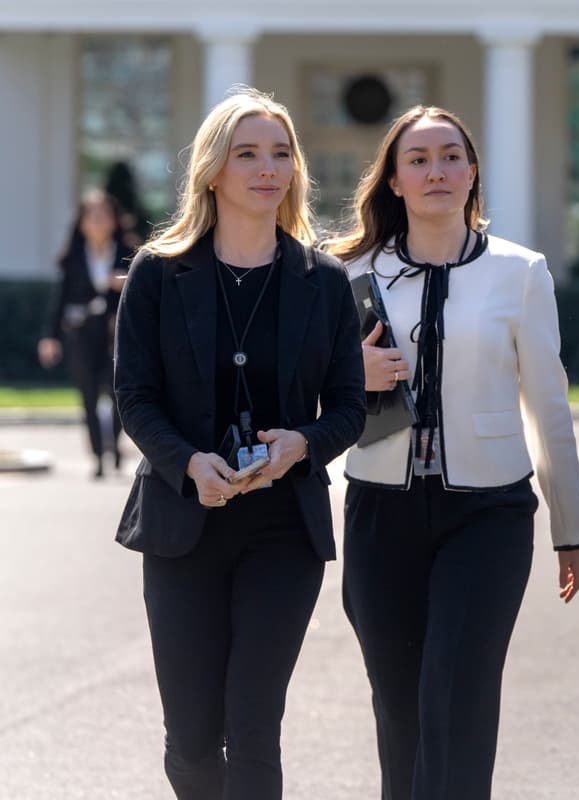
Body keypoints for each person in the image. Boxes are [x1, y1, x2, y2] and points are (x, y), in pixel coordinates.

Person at [325, 105, 579, 800]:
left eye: (450, 157)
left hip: (488, 512)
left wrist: (570, 528)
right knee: (399, 706)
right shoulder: (350, 272)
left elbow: (549, 405)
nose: (436, 171)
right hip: (380, 508)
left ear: (472, 173)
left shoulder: (520, 271)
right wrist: (349, 374)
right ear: (393, 179)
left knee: (458, 693)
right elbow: (309, 394)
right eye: (418, 160)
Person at [112, 87, 366, 799]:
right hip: (182, 525)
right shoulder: (159, 273)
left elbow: (349, 407)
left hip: (283, 531)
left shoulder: (323, 281)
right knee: (193, 741)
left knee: (253, 728)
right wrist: (189, 462)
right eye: (247, 153)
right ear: (213, 170)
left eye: (281, 153)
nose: (268, 168)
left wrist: (301, 445)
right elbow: (135, 397)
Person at [38, 189, 134, 477]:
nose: (98, 221)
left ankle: (114, 445)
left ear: (115, 220)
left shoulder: (130, 253)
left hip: (118, 336)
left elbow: (146, 292)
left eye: (104, 215)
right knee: (88, 396)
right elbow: (61, 299)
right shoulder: (73, 257)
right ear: (81, 223)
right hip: (82, 336)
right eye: (92, 216)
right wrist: (50, 337)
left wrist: (125, 282)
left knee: (119, 394)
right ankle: (98, 456)